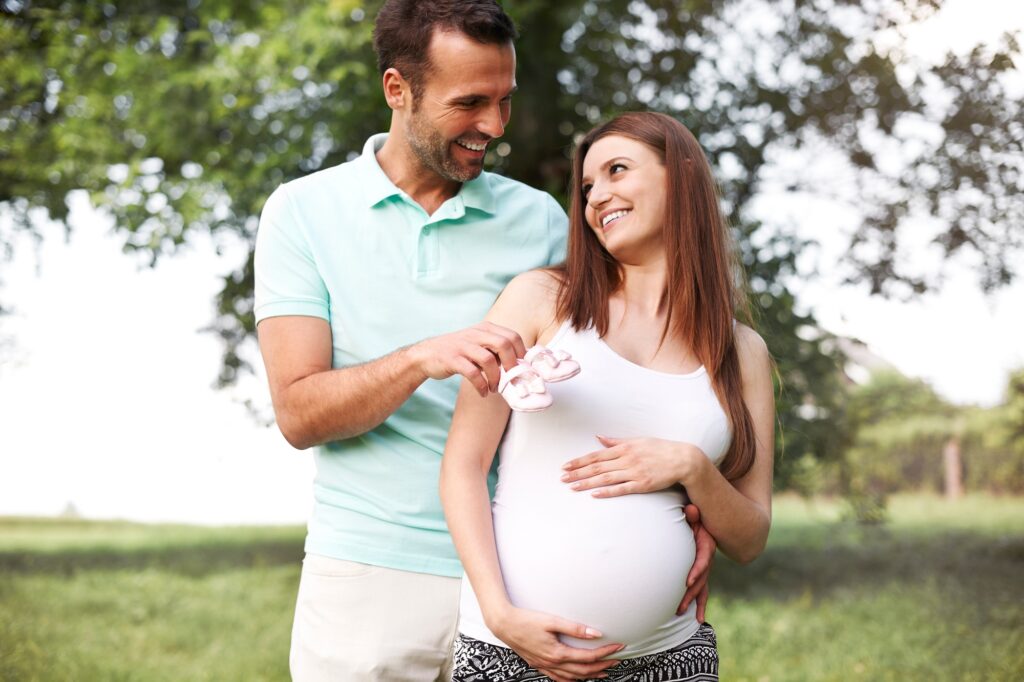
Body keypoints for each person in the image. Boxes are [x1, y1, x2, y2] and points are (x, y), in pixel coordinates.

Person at [255, 1, 715, 678]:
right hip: (369, 576)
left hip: (529, 577)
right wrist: (420, 358)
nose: (494, 128)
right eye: (470, 102)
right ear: (397, 90)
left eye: (505, 100)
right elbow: (300, 414)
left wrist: (690, 506)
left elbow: (628, 367)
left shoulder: (538, 217)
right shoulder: (301, 212)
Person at [440, 111, 775, 682]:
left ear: (683, 175)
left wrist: (693, 468)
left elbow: (750, 538)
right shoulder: (542, 300)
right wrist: (499, 616)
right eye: (589, 186)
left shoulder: (742, 353)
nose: (597, 197)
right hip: (512, 655)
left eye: (618, 171)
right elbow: (463, 466)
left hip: (670, 659)